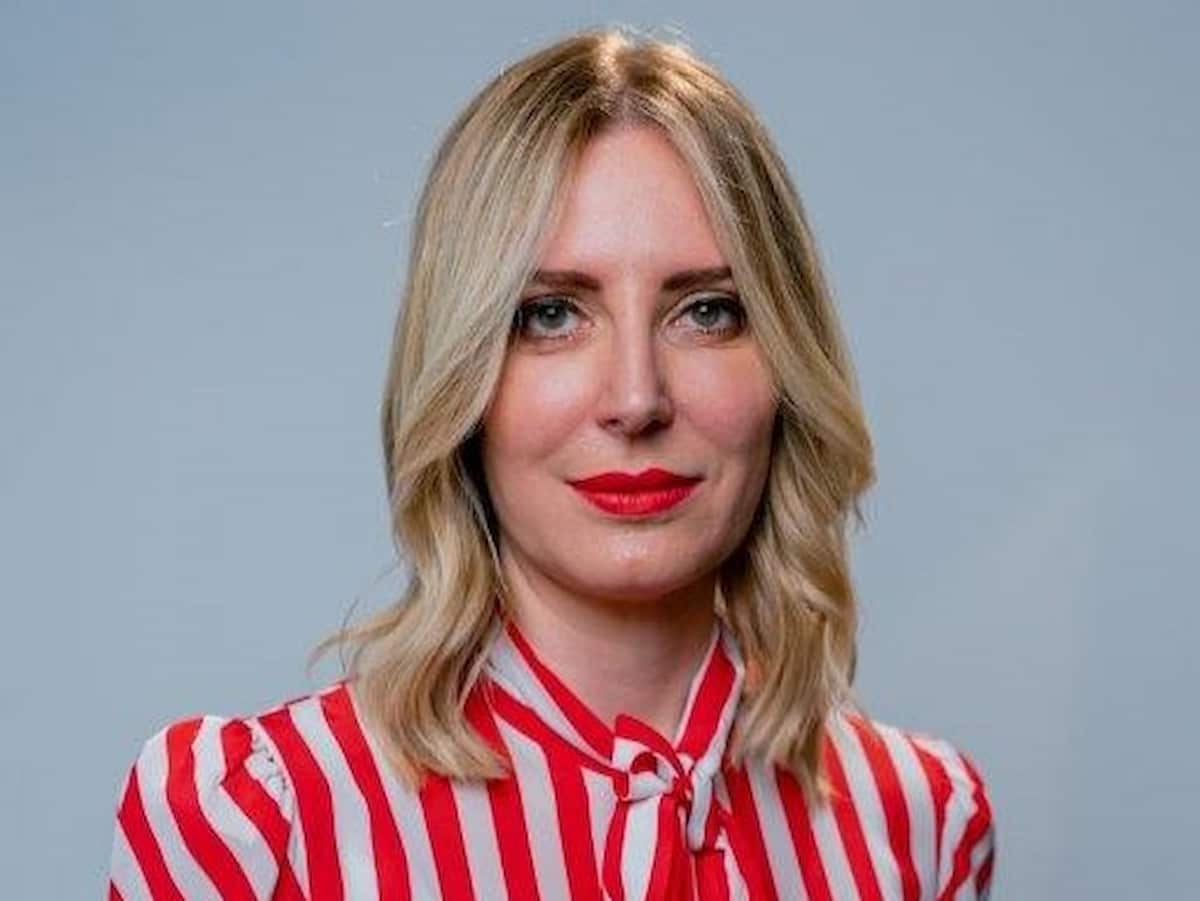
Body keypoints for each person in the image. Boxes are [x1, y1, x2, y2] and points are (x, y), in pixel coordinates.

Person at [107, 26, 995, 901]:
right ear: (461, 375)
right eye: (552, 315)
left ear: (788, 363)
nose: (636, 398)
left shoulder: (920, 827)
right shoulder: (260, 828)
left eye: (707, 310)